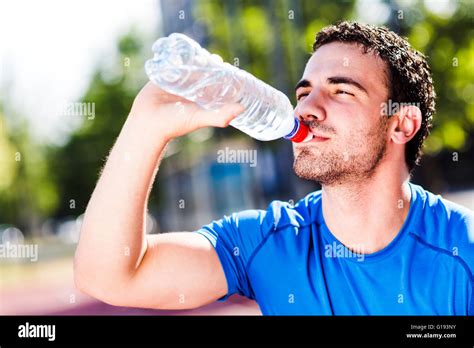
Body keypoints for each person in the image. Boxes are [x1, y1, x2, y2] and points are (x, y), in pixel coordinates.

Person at [74, 21, 474, 315]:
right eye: (304, 92)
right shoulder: (265, 242)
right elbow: (107, 277)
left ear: (401, 124)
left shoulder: (463, 253)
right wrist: (146, 125)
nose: (307, 108)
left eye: (341, 91)